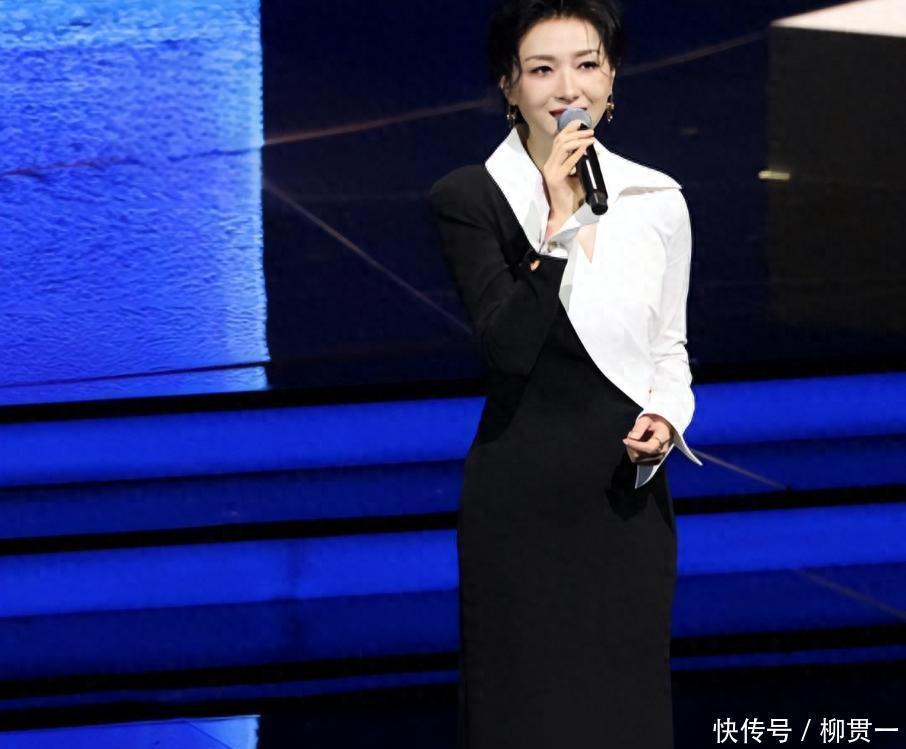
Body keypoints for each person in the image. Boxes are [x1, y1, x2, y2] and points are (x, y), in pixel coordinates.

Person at [427, 1, 704, 747]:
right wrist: (557, 222)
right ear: (508, 86)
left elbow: (669, 349)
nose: (567, 88)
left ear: (612, 80)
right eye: (542, 69)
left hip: (626, 501)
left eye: (586, 65)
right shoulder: (469, 198)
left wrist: (667, 418)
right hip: (523, 507)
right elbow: (506, 348)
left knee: (625, 715)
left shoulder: (657, 199)